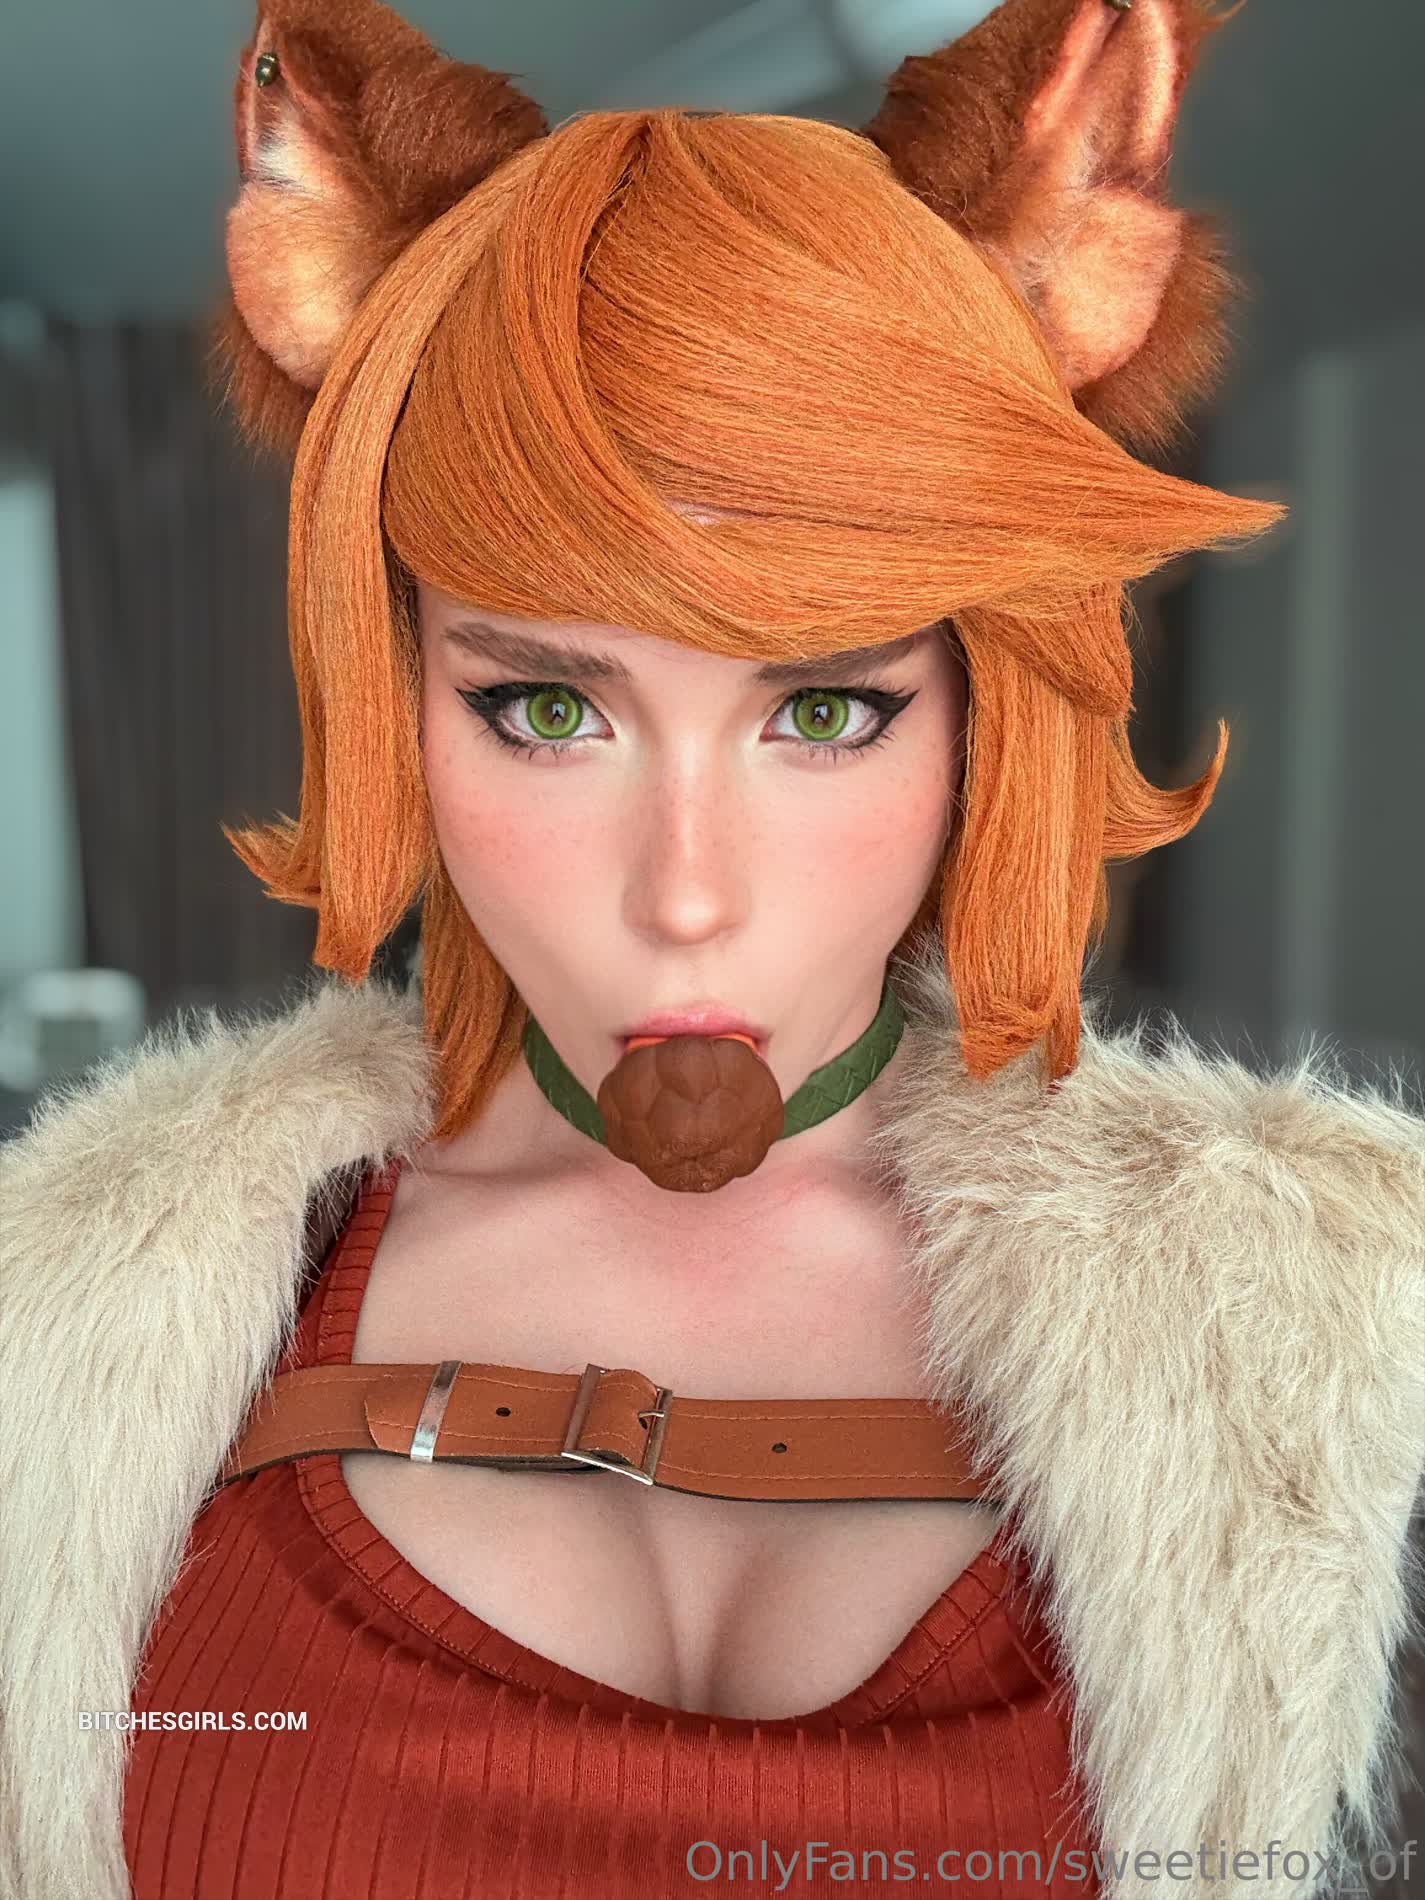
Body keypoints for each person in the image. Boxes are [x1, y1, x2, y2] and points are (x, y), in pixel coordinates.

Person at [2, 0, 1422, 1896]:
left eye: (821, 712)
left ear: (979, 718)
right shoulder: (50, 1322)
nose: (685, 892)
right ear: (395, 701)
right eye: (547, 711)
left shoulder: (1365, 1340)